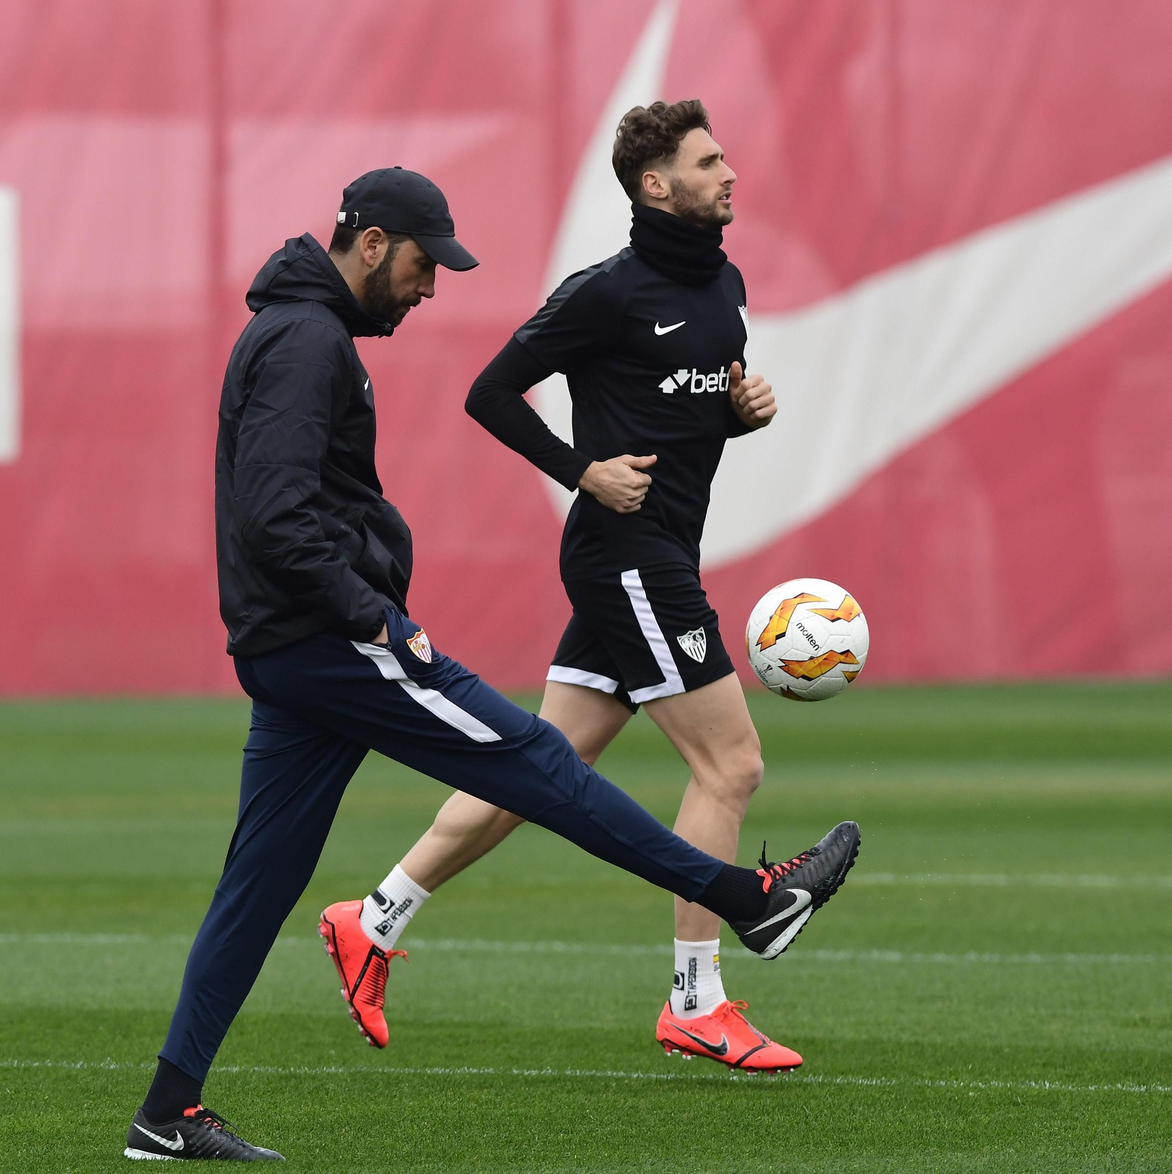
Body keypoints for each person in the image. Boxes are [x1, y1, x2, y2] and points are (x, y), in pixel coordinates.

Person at [124, 165, 860, 1162]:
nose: (431, 289)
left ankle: (165, 1111)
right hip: (331, 642)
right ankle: (749, 900)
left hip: (294, 651)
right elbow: (274, 516)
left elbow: (290, 510)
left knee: (257, 883)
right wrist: (377, 620)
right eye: (426, 265)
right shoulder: (304, 341)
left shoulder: (304, 332)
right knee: (537, 760)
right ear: (373, 243)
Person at [320, 101, 824, 1072]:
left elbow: (683, 416)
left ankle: (372, 916)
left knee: (531, 767)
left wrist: (739, 413)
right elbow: (489, 393)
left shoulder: (724, 283)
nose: (728, 173)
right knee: (732, 766)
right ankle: (696, 998)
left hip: (659, 551)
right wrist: (581, 471)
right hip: (627, 557)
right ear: (654, 185)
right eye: (706, 161)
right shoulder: (604, 292)